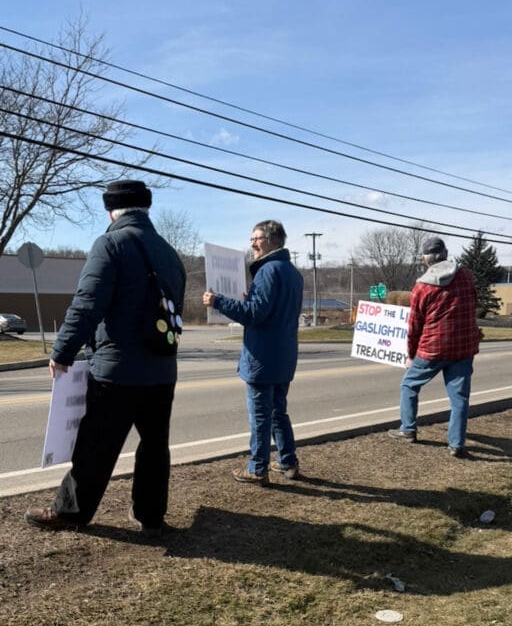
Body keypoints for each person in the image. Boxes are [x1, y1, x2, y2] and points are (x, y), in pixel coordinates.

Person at [25, 179, 186, 536]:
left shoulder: (111, 243)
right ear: (145, 208)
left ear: (111, 211)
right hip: (162, 368)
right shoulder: (169, 252)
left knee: (96, 444)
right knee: (155, 446)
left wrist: (62, 350)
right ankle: (150, 516)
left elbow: (87, 304)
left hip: (118, 371)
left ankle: (70, 513)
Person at [203, 220, 303, 485]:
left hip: (262, 357)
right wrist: (251, 301)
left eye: (256, 238)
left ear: (271, 240)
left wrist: (218, 301)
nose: (252, 243)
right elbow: (272, 311)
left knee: (261, 416)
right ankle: (288, 462)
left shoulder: (268, 271)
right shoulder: (293, 273)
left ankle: (258, 467)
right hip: (283, 356)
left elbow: (255, 315)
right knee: (278, 412)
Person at [387, 235, 481, 458]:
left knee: (409, 385)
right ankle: (456, 444)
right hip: (464, 347)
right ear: (446, 253)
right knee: (460, 398)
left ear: (425, 259)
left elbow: (414, 325)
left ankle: (408, 429)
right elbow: (474, 302)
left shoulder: (422, 286)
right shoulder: (466, 275)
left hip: (433, 348)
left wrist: (410, 354)